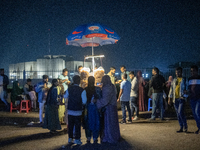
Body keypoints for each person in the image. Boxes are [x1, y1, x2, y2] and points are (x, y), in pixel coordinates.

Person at [96, 75, 120, 144]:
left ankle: (109, 137)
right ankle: (115, 136)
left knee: (108, 124)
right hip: (113, 107)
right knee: (113, 124)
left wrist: (97, 102)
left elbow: (105, 101)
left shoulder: (106, 88)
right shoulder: (112, 86)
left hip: (109, 108)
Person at [65, 75, 87, 145]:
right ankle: (77, 139)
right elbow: (84, 101)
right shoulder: (82, 90)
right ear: (79, 81)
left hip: (70, 110)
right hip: (78, 111)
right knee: (77, 126)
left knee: (70, 125)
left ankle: (70, 138)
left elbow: (65, 96)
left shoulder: (69, 89)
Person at [168, 67, 188, 133]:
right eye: (176, 72)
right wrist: (169, 98)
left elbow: (187, 88)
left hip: (181, 98)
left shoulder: (184, 80)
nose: (177, 73)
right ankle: (181, 127)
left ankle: (185, 126)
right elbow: (171, 89)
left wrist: (186, 94)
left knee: (180, 112)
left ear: (181, 72)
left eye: (179, 72)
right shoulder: (174, 80)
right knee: (178, 114)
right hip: (175, 99)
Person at [84, 76, 101, 144]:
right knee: (96, 122)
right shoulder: (97, 89)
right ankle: (95, 138)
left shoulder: (85, 89)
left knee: (88, 123)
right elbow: (100, 98)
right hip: (95, 109)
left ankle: (88, 138)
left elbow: (83, 100)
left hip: (87, 109)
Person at [188, 65, 200, 134]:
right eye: (191, 71)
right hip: (192, 98)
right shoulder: (190, 79)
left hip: (198, 98)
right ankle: (199, 127)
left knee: (197, 112)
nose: (192, 72)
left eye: (193, 71)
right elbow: (189, 88)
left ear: (197, 71)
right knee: (195, 114)